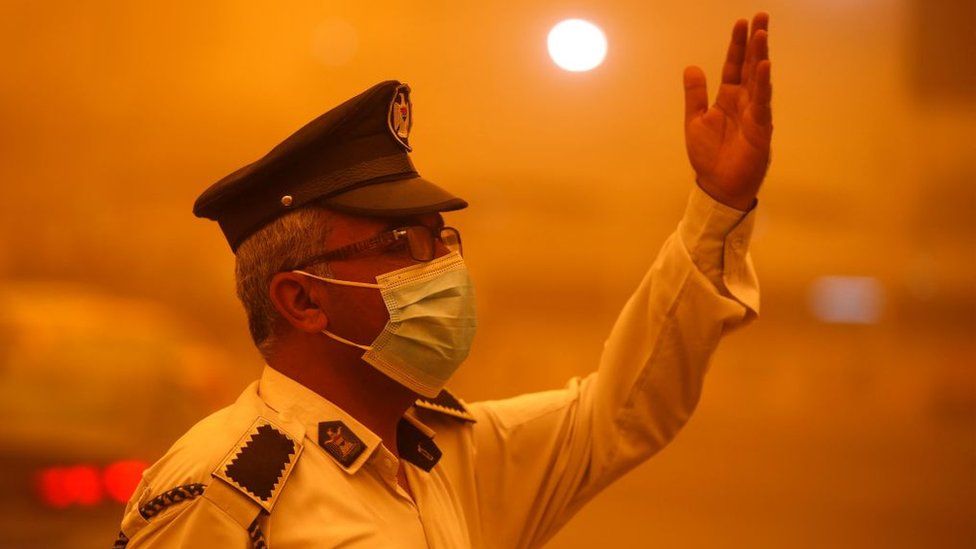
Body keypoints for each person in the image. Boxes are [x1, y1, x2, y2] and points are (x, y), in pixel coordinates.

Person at [114, 11, 773, 548]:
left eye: (441, 239)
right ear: (301, 298)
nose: (443, 267)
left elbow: (625, 410)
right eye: (404, 243)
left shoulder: (446, 456)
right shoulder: (228, 497)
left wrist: (716, 208)